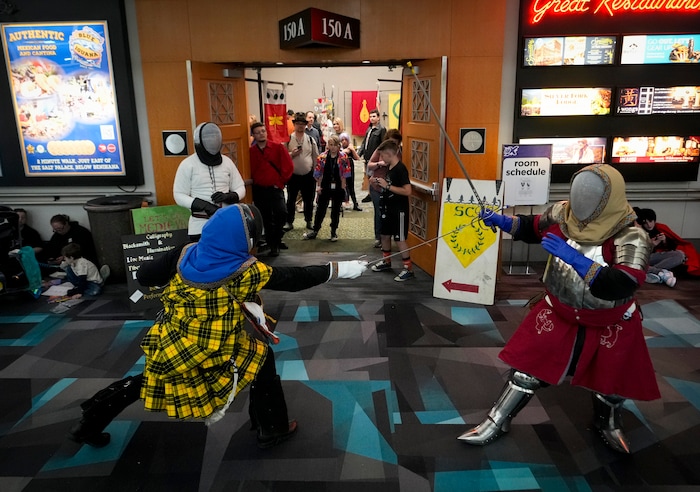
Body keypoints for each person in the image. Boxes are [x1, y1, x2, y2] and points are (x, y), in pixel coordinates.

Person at [67, 204, 367, 449]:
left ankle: (90, 421)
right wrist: (341, 268)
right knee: (261, 359)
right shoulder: (245, 271)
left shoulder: (186, 252)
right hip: (215, 344)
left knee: (151, 379)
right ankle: (272, 428)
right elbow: (294, 279)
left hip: (174, 338)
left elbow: (145, 275)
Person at [458, 164, 660, 454]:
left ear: (609, 197)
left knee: (610, 382)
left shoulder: (631, 235)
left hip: (608, 319)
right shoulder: (563, 212)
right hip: (559, 310)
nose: (582, 201)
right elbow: (532, 227)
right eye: (579, 192)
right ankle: (497, 419)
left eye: (592, 195)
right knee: (527, 371)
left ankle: (609, 424)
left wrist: (576, 259)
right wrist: (501, 221)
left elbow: (623, 283)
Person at [173, 121, 246, 241]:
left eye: (214, 137)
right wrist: (204, 205)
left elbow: (240, 187)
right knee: (204, 257)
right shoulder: (187, 164)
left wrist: (228, 196)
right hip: (199, 225)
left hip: (226, 223)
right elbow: (179, 195)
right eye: (207, 137)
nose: (212, 141)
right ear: (199, 142)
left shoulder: (227, 162)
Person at [368, 139, 414, 281]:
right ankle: (387, 261)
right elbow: (389, 184)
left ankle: (408, 268)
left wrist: (387, 186)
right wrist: (378, 182)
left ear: (389, 154)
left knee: (400, 238)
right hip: (388, 206)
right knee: (385, 235)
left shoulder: (400, 169)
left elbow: (407, 191)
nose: (381, 159)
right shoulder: (390, 168)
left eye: (382, 156)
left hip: (399, 209)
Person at [249, 121, 294, 257]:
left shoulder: (277, 148)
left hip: (275, 188)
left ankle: (277, 238)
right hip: (259, 189)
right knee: (265, 218)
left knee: (282, 213)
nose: (261, 134)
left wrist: (280, 183)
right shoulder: (250, 152)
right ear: (253, 135)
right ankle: (273, 244)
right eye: (257, 132)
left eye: (263, 131)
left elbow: (288, 166)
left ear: (266, 132)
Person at [634, 207, 700, 286]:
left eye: (651, 221)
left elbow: (674, 246)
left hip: (655, 259)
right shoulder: (637, 230)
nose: (649, 225)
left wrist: (664, 240)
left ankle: (653, 272)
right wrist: (650, 245)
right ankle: (658, 272)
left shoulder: (660, 228)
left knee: (680, 255)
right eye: (645, 223)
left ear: (654, 220)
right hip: (641, 258)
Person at [303, 135, 352, 242]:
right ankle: (315, 230)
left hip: (338, 185)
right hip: (325, 184)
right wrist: (319, 186)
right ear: (328, 146)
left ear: (338, 146)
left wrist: (344, 187)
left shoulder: (343, 157)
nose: (333, 147)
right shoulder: (322, 157)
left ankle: (333, 231)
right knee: (321, 209)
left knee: (335, 210)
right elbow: (318, 173)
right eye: (330, 145)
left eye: (335, 145)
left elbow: (345, 173)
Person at [367, 129, 403, 248]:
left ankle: (388, 238)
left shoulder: (399, 154)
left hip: (391, 188)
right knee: (379, 211)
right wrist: (380, 164)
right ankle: (379, 237)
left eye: (395, 143)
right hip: (377, 186)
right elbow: (370, 165)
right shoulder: (380, 149)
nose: (392, 145)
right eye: (391, 141)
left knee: (389, 213)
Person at [284, 112, 319, 232]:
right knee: (291, 199)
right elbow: (282, 158)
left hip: (308, 175)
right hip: (293, 175)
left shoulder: (310, 139)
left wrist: (316, 173)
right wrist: (292, 154)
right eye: (298, 123)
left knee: (309, 199)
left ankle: (309, 220)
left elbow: (316, 157)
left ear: (305, 125)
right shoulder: (288, 139)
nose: (300, 126)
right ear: (294, 124)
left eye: (302, 124)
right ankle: (289, 221)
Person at [358, 108, 386, 203]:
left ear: (378, 118)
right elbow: (364, 142)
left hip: (375, 158)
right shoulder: (369, 129)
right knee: (368, 176)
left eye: (374, 116)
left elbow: (383, 144)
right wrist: (359, 153)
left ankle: (376, 193)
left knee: (375, 176)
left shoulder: (381, 130)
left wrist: (381, 158)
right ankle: (370, 194)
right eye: (370, 116)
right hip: (367, 157)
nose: (372, 118)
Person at [339, 132, 362, 211]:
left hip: (350, 169)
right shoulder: (339, 148)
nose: (344, 141)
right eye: (342, 140)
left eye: (346, 139)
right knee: (341, 187)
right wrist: (346, 151)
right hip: (341, 169)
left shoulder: (350, 149)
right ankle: (340, 205)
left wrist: (352, 150)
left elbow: (357, 158)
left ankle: (355, 204)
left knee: (351, 187)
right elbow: (340, 154)